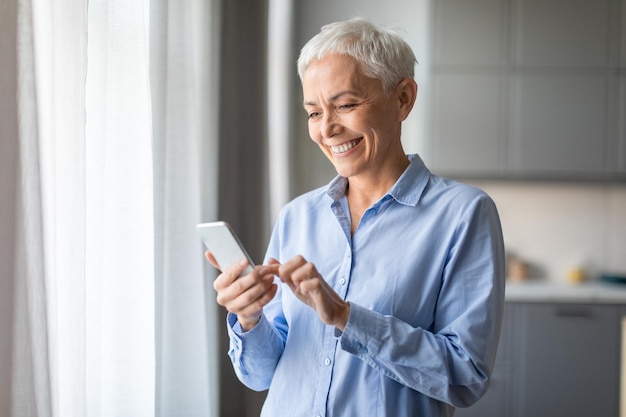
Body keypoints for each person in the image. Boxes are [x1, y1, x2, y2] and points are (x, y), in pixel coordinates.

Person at [207, 17, 505, 417]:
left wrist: (347, 317)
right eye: (314, 113)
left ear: (403, 98)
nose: (327, 128)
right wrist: (249, 317)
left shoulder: (464, 214)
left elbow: (466, 376)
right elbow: (261, 376)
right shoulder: (298, 215)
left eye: (345, 105)